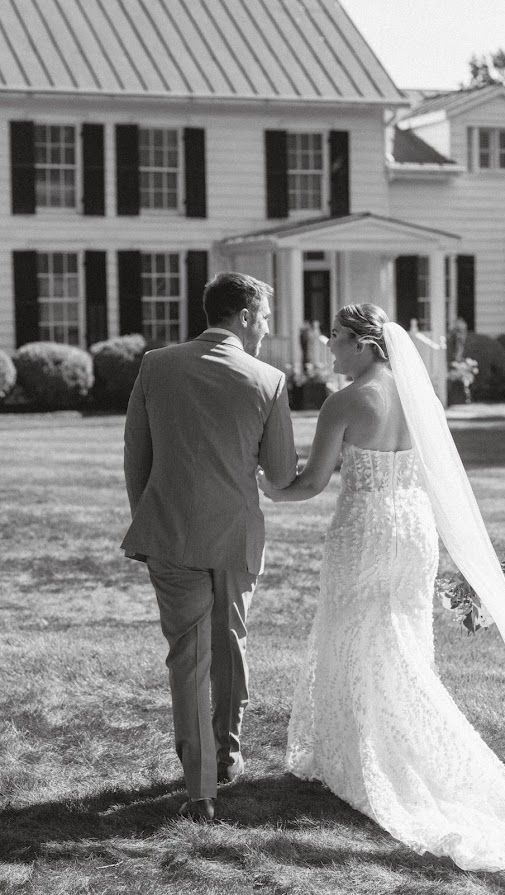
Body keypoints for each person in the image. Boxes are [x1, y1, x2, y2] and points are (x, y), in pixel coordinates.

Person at [259, 303, 505, 878]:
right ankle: (386, 743)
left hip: (364, 530)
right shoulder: (420, 397)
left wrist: (263, 483)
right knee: (402, 643)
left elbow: (310, 483)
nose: (330, 351)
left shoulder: (345, 401)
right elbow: (441, 479)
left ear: (365, 345)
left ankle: (364, 752)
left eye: (337, 340)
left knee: (354, 634)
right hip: (413, 530)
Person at [122, 272, 297, 823]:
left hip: (171, 532)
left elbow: (136, 456)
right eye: (265, 316)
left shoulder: (156, 365)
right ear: (244, 315)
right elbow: (282, 471)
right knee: (230, 642)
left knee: (190, 659)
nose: (268, 327)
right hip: (235, 536)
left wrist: (151, 517)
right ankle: (226, 754)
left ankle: (201, 789)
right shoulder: (268, 380)